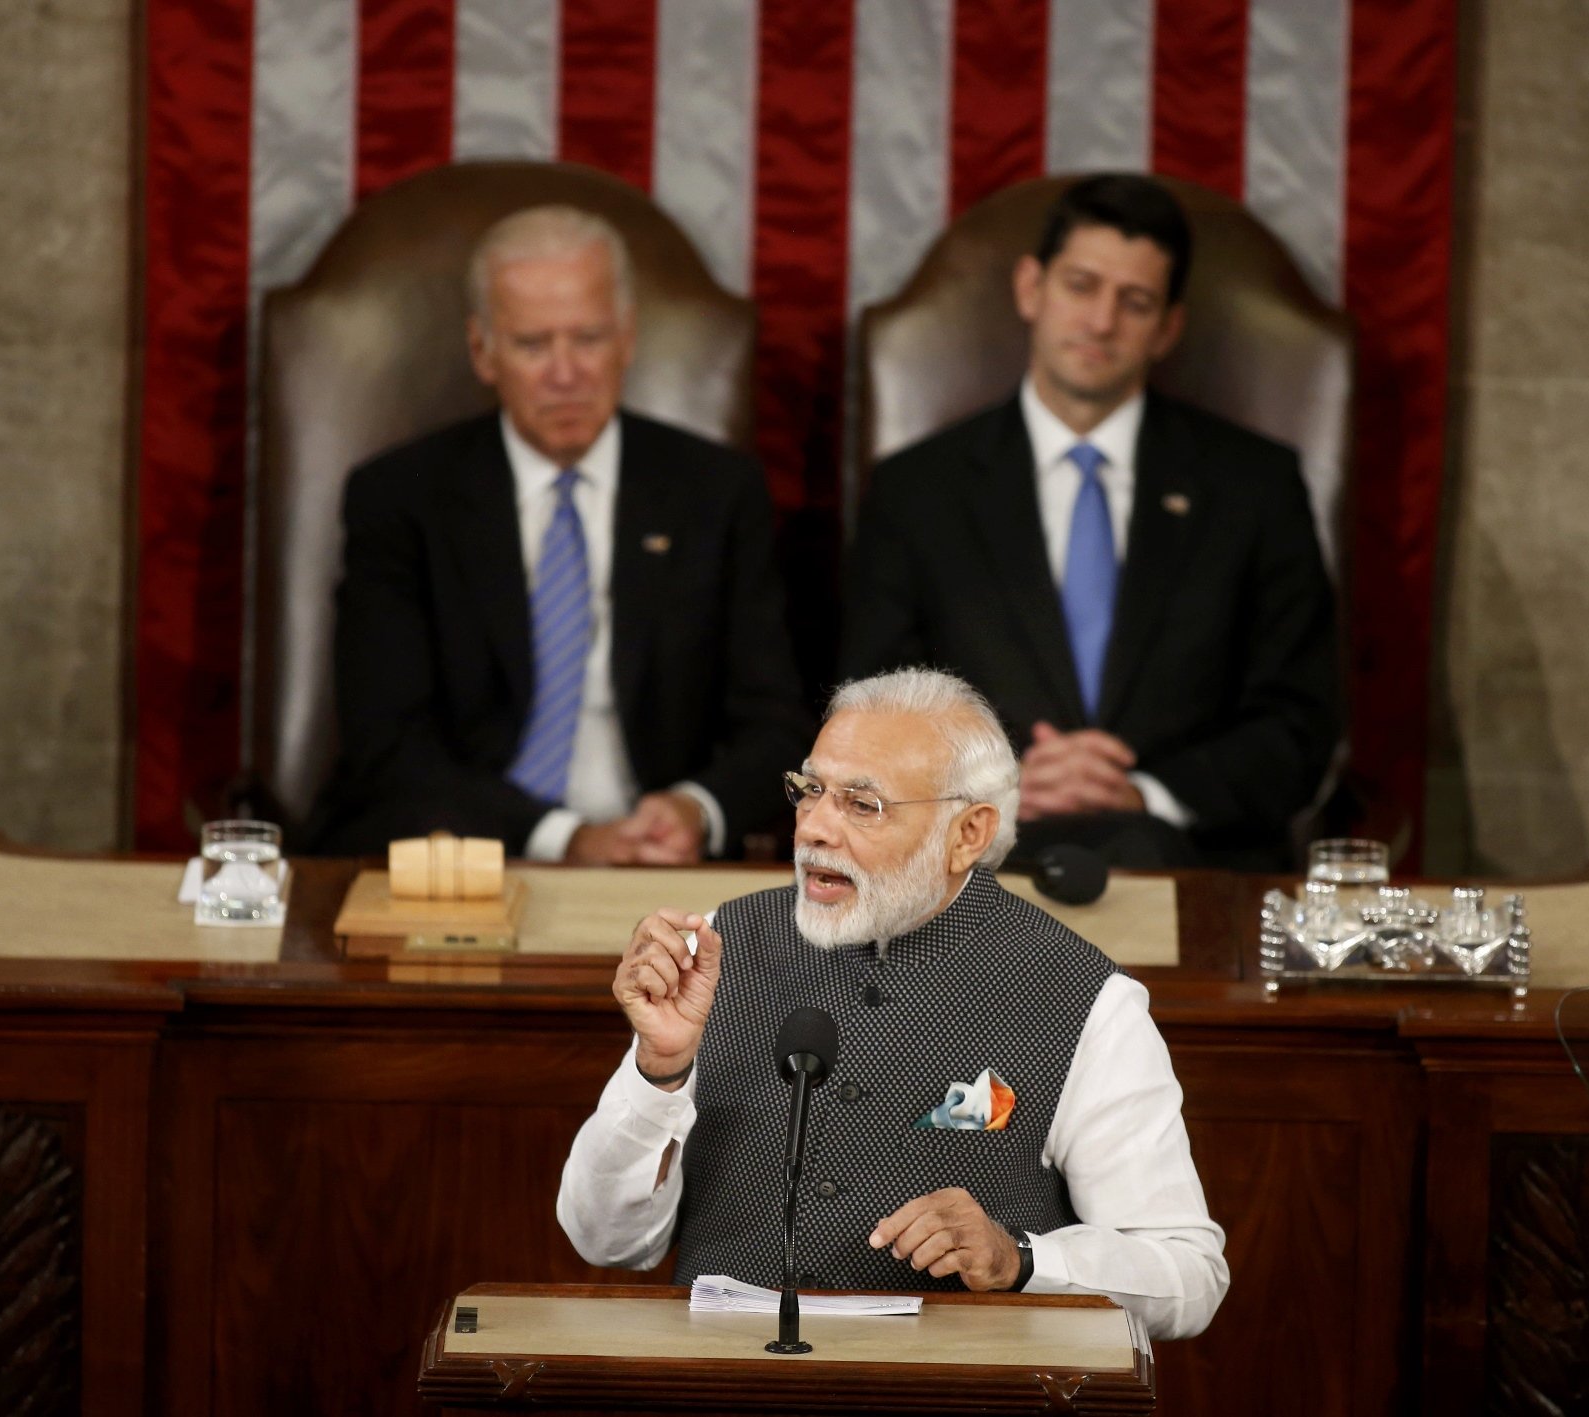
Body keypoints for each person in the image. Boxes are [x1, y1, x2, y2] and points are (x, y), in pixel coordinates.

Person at [556, 668, 1227, 1340]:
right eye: (810, 790)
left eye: (862, 804)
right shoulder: (719, 948)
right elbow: (606, 1242)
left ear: (968, 833)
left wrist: (1020, 1257)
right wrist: (659, 1069)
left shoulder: (1082, 998)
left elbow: (1189, 1277)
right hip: (726, 1385)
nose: (814, 828)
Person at [840, 174, 1338, 870]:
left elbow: (1300, 725)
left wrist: (1144, 794)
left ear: (1167, 328)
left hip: (1197, 872)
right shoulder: (917, 491)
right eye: (1081, 286)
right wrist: (1002, 783)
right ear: (1030, 290)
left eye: (1134, 302)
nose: (1101, 321)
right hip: (970, 881)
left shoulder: (1254, 486)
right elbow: (871, 717)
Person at [307, 206, 809, 863]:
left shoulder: (716, 492)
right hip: (466, 852)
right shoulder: (401, 498)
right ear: (482, 351)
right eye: (533, 344)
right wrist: (565, 837)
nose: (565, 372)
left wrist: (697, 807)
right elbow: (388, 744)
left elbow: (777, 724)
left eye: (589, 338)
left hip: (660, 863)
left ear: (628, 339)